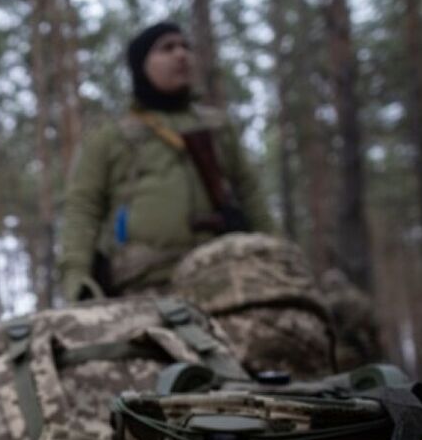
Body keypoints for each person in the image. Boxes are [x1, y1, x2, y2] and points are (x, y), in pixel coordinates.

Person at [58, 21, 274, 301]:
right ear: (141, 65)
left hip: (227, 277)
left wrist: (274, 251)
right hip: (144, 286)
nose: (181, 55)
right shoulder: (110, 137)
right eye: (166, 48)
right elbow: (82, 208)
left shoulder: (218, 128)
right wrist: (77, 278)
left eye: (185, 46)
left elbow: (250, 193)